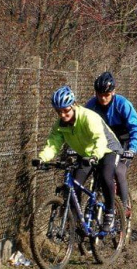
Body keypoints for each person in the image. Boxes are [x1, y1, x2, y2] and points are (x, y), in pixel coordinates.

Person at [32, 86, 123, 232]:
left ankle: (109, 212)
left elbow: (99, 139)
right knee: (73, 186)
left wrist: (95, 156)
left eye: (66, 110)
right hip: (87, 153)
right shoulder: (60, 125)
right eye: (59, 112)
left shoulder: (88, 117)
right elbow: (53, 144)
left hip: (107, 149)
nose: (63, 115)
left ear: (74, 105)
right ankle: (74, 226)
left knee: (106, 176)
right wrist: (42, 158)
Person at [85, 71, 137, 218]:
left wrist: (132, 148)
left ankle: (124, 207)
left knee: (118, 171)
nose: (103, 98)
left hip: (123, 144)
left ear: (113, 92)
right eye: (100, 95)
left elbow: (136, 128)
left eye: (107, 95)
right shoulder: (91, 106)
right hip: (102, 145)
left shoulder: (122, 104)